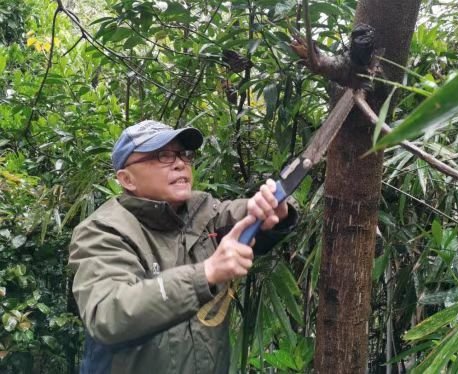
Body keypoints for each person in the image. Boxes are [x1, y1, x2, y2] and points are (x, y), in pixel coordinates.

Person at [68, 120, 297, 374]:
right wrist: (205, 274)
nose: (179, 163)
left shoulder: (204, 212)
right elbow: (108, 315)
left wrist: (270, 208)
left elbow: (242, 215)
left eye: (183, 155)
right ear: (127, 179)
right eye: (162, 156)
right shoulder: (103, 231)